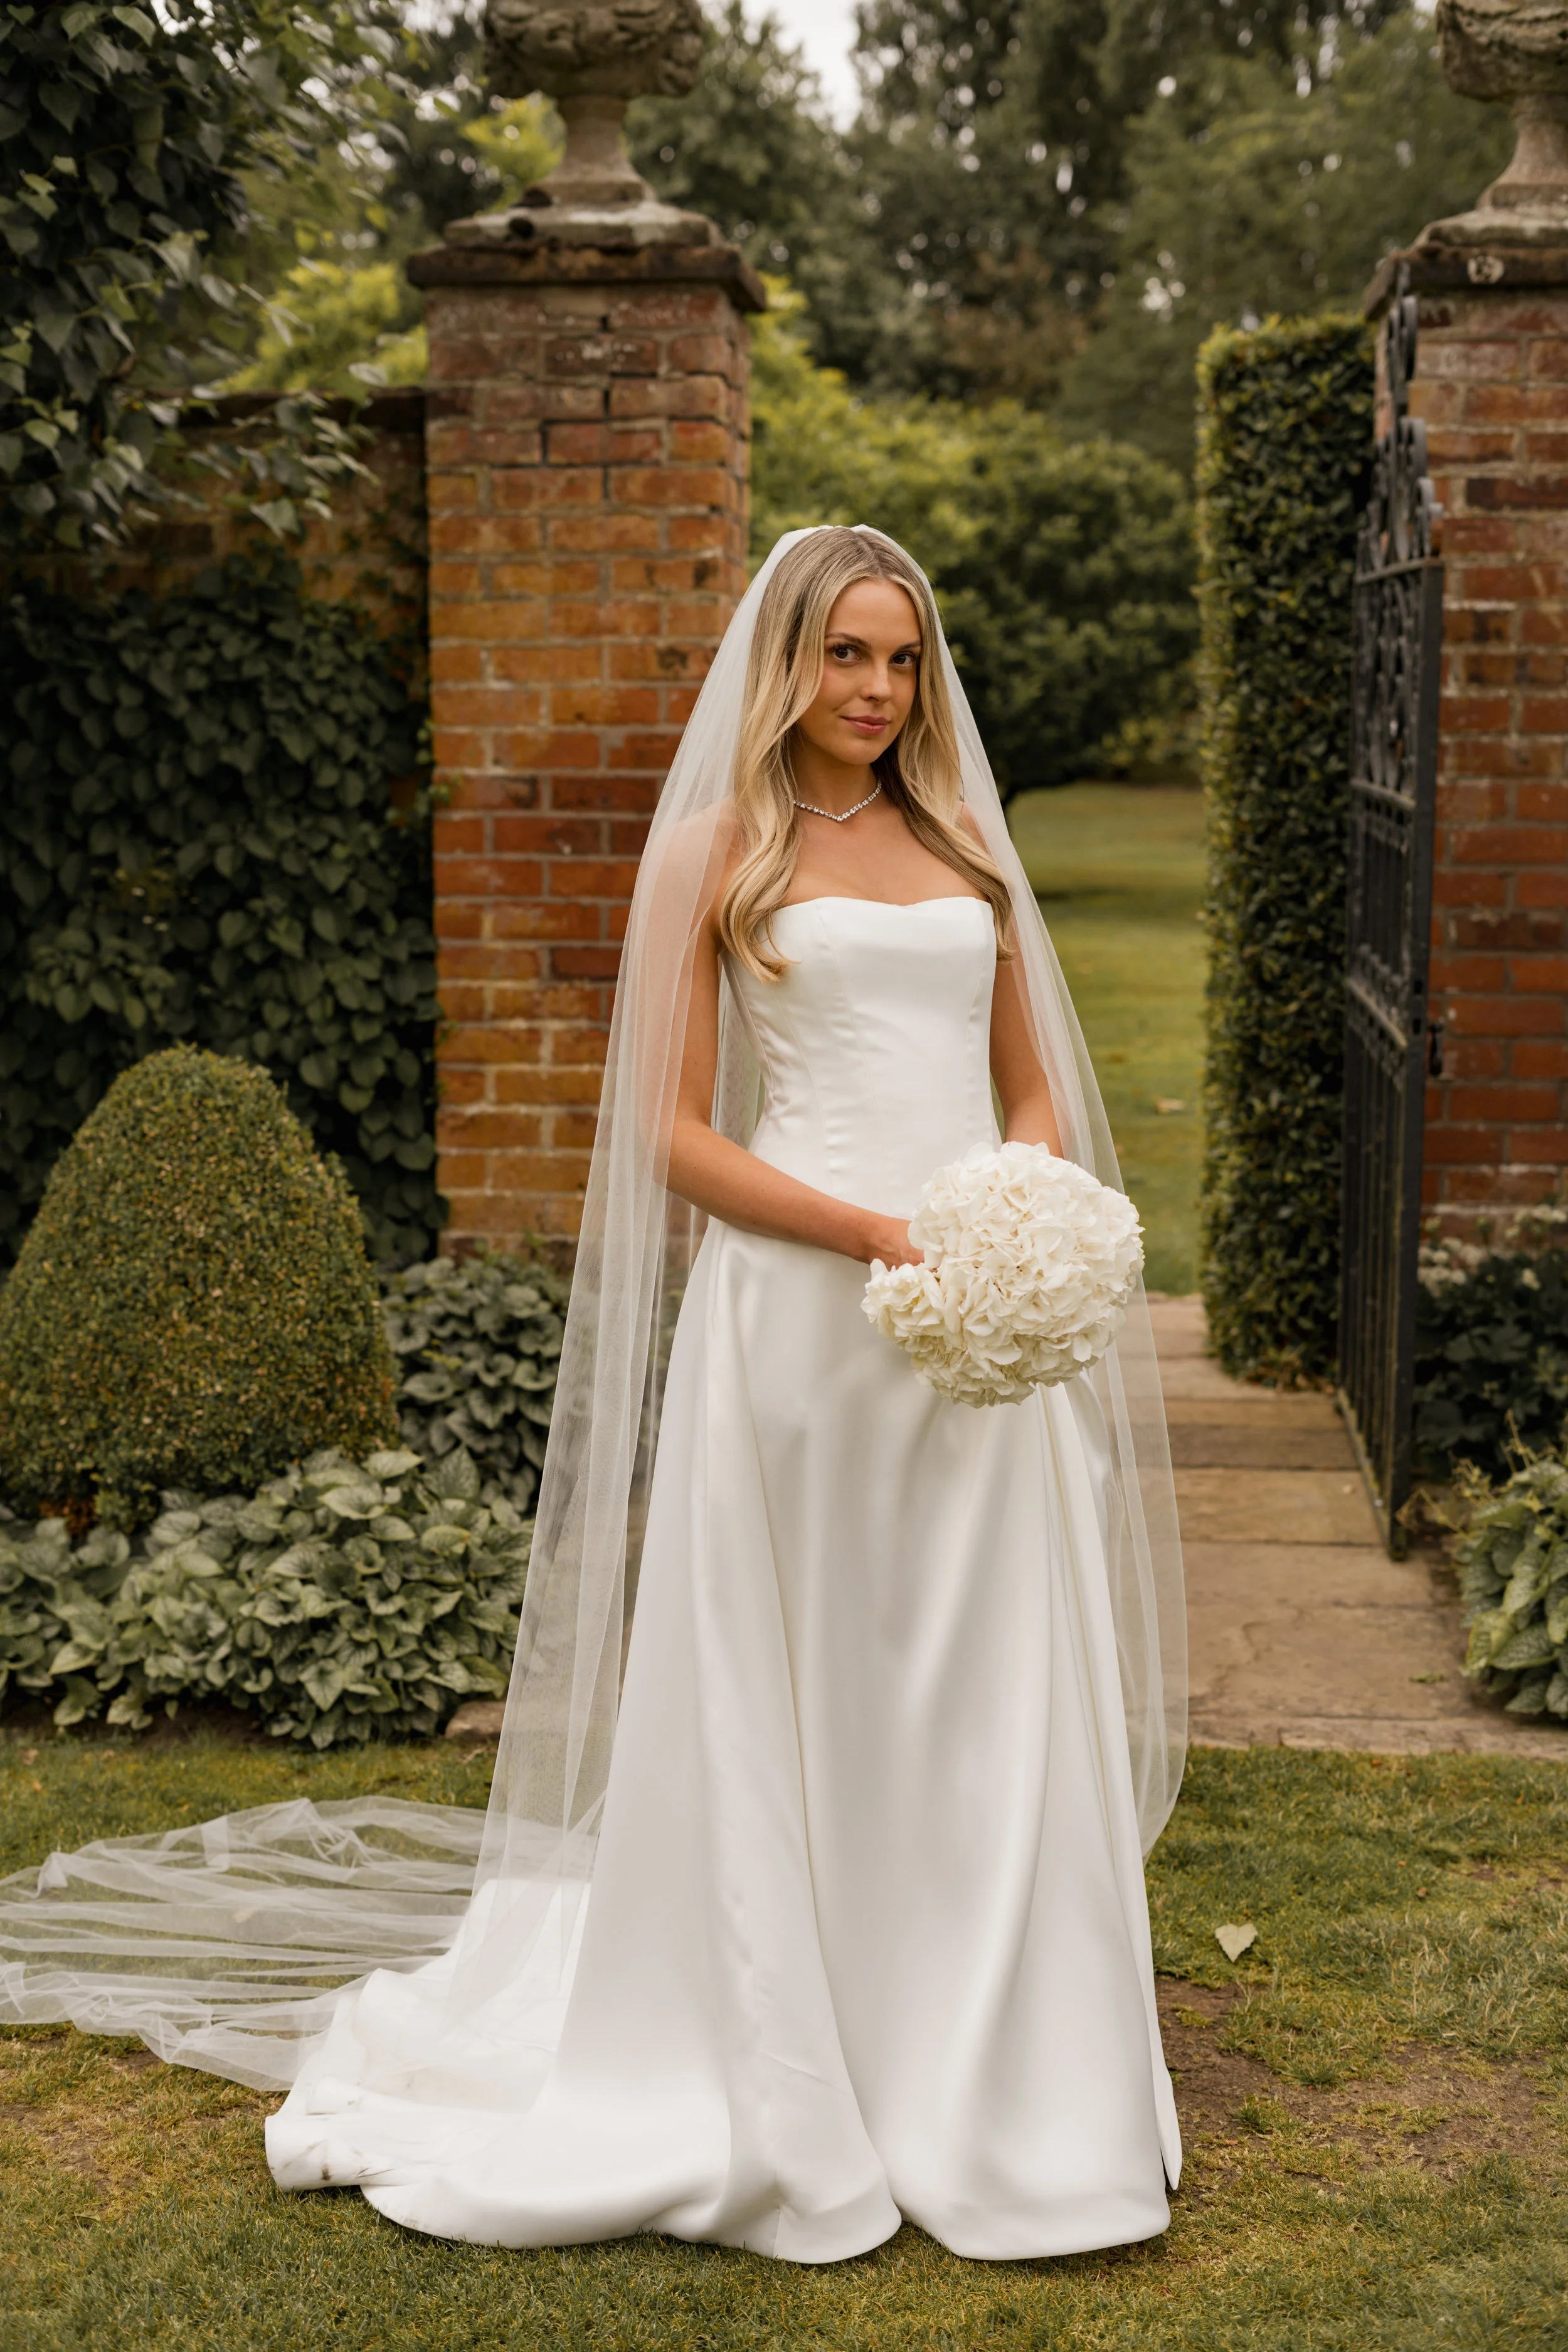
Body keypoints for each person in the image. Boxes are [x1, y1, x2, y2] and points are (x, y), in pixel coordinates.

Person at [0, 527, 1186, 2264]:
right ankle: (793, 2046)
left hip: (973, 1335)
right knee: (812, 1675)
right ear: (782, 662)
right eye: (842, 655)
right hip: (804, 1322)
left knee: (985, 1679)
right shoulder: (717, 849)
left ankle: (1008, 2058)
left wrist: (1014, 1224)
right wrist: (882, 1234)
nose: (873, 690)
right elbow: (672, 1134)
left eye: (900, 659)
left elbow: (1028, 1093)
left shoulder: (963, 850)